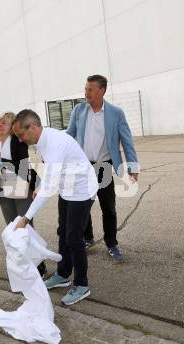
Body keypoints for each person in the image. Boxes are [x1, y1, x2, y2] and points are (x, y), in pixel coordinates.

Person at [13, 109, 98, 306]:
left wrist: (26, 219)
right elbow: (52, 172)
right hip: (66, 188)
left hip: (82, 190)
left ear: (32, 127)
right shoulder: (42, 141)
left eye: (20, 134)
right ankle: (63, 274)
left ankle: (82, 284)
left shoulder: (55, 144)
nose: (19, 139)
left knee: (74, 238)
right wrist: (43, 185)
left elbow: (49, 187)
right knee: (63, 232)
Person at [67, 75, 139, 261]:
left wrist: (132, 166)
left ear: (102, 91)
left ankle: (111, 242)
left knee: (108, 207)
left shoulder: (116, 113)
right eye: (86, 89)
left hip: (104, 166)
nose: (86, 93)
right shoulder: (79, 110)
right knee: (83, 205)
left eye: (90, 89)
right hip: (83, 166)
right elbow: (69, 136)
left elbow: (127, 140)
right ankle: (87, 238)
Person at [0, 112, 45, 276]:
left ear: (11, 127)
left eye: (3, 123)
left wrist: (1, 161)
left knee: (25, 227)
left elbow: (22, 168)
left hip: (21, 188)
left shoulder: (18, 142)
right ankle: (22, 263)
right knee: (11, 228)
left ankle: (39, 265)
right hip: (3, 190)